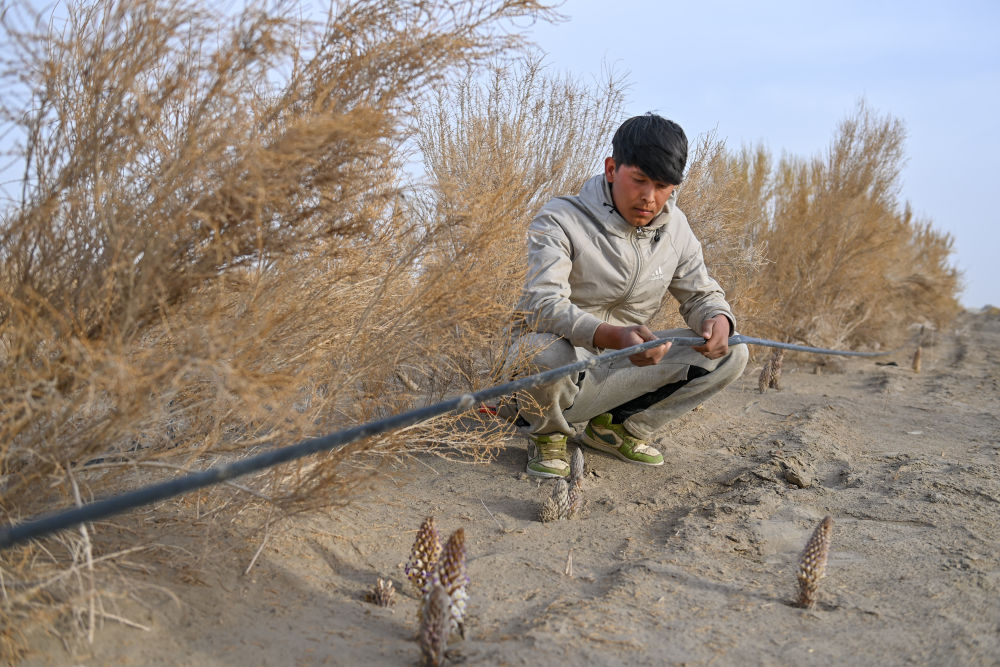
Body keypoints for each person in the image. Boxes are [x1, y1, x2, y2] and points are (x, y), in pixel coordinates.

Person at [503, 113, 749, 478]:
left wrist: (716, 318)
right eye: (639, 180)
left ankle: (618, 430)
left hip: (621, 369)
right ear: (611, 169)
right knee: (541, 351)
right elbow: (542, 304)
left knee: (735, 352)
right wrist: (614, 336)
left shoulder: (676, 229)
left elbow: (701, 294)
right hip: (554, 373)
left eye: (663, 186)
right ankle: (547, 436)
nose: (649, 197)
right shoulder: (559, 218)